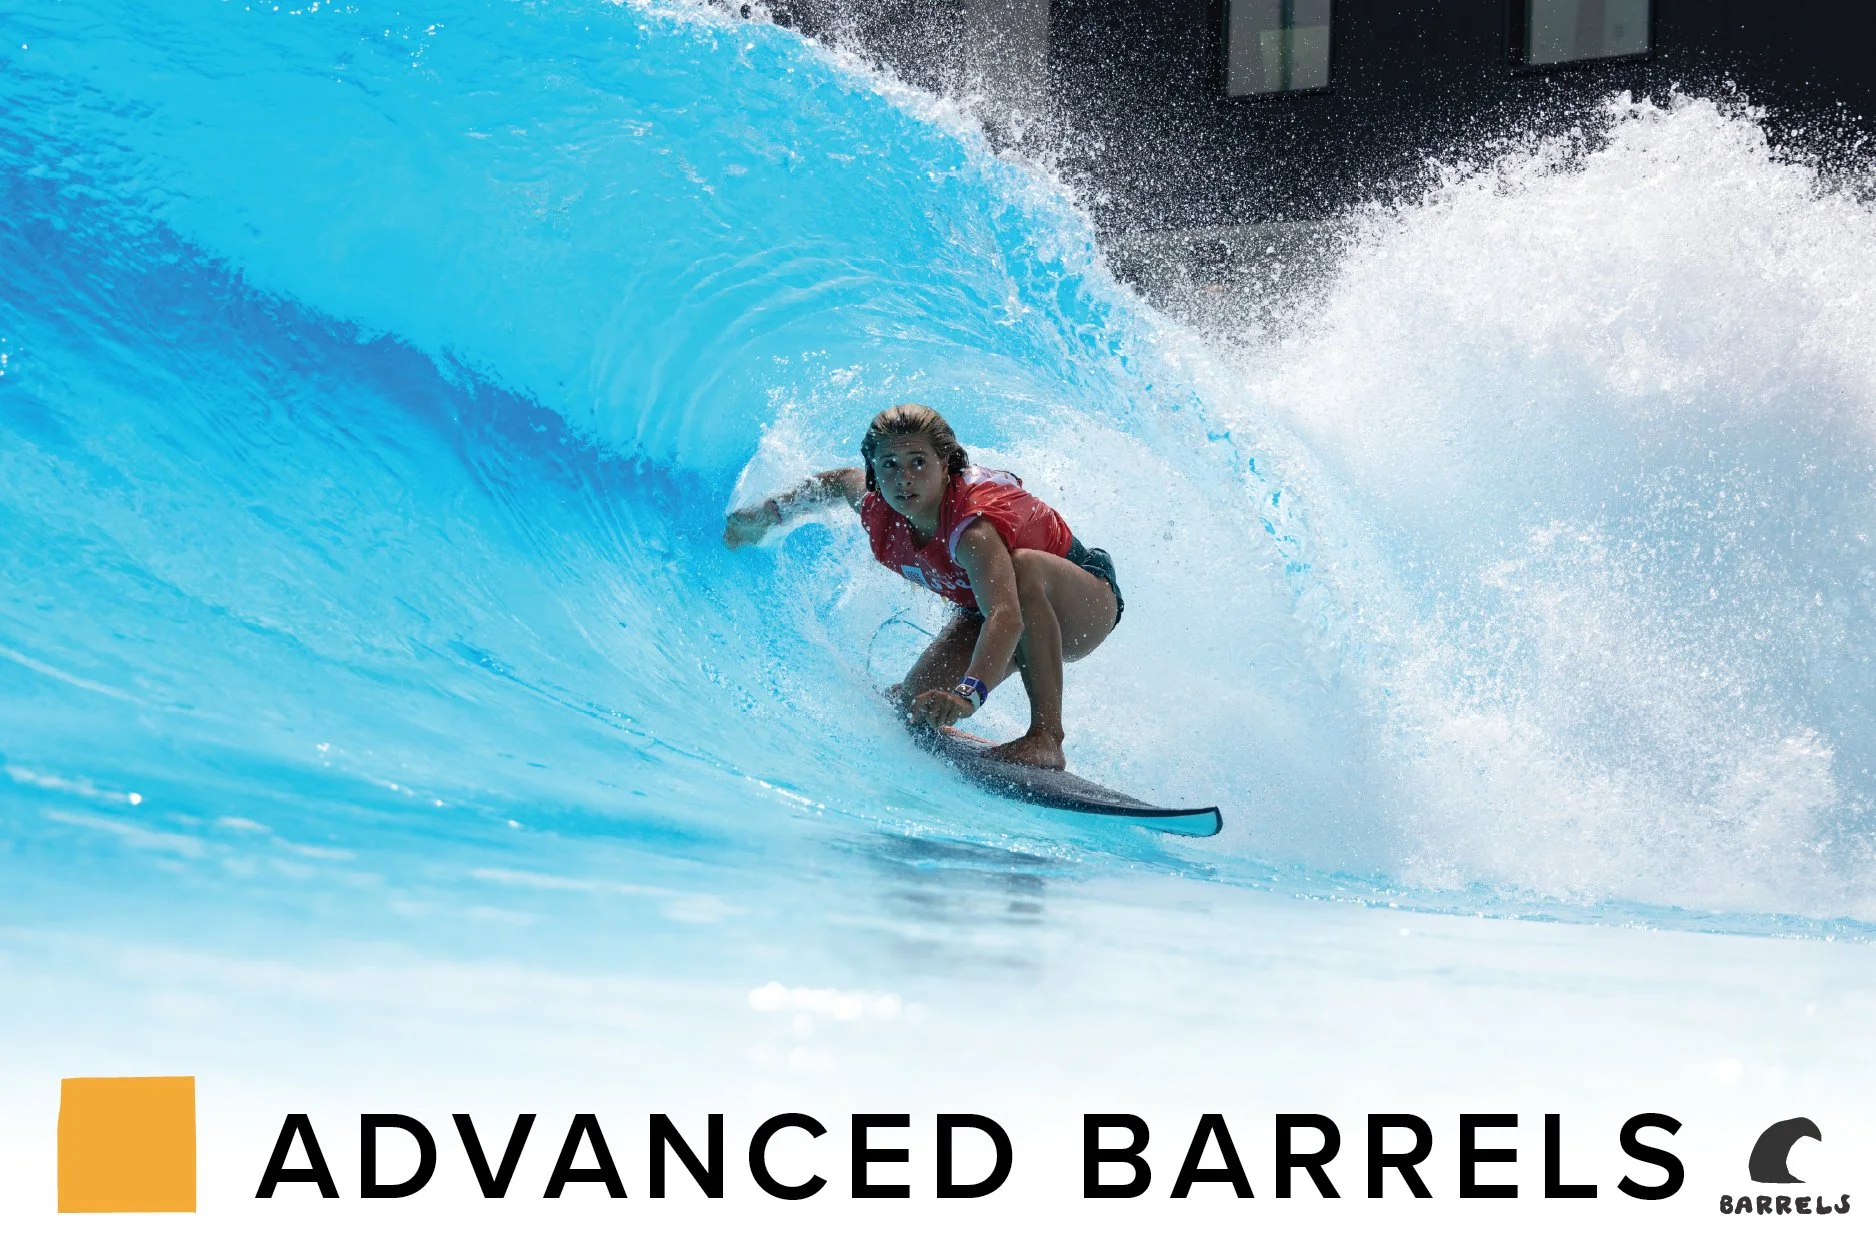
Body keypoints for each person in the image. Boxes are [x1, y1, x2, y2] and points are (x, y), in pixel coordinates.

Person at [723, 403, 1122, 770]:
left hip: (1081, 603)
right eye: (890, 465)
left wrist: (968, 696)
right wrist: (766, 516)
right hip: (990, 613)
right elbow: (836, 483)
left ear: (946, 465)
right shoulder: (879, 505)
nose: (904, 479)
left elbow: (1006, 614)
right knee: (913, 708)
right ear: (874, 471)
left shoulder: (971, 529)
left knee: (1022, 569)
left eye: (918, 462)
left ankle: (1046, 738)